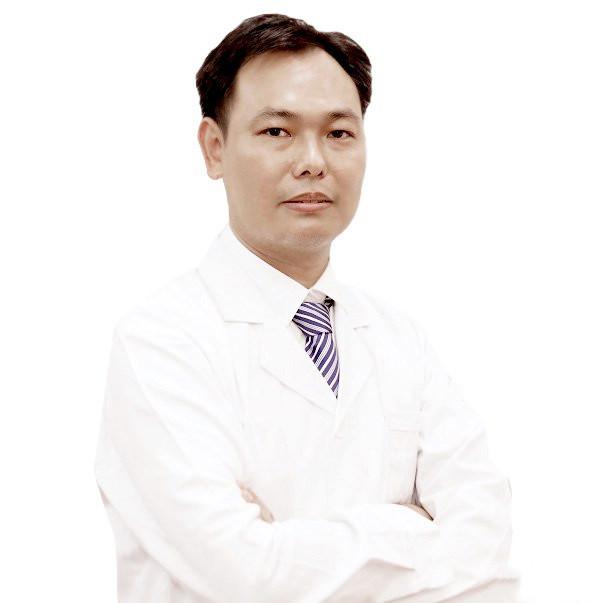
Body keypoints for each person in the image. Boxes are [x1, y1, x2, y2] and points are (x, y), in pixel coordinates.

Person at [94, 13, 521, 603]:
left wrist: (286, 542)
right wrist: (410, 526)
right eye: (277, 131)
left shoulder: (401, 340)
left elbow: (490, 551)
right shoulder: (160, 342)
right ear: (214, 148)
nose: (313, 161)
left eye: (339, 133)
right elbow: (242, 574)